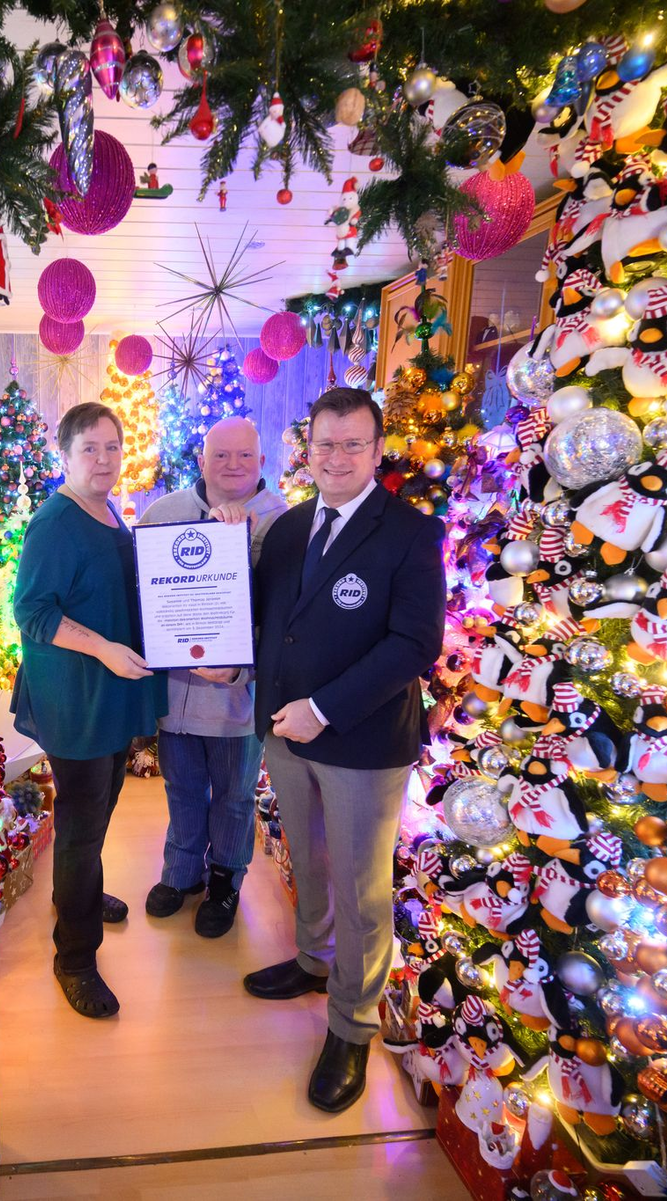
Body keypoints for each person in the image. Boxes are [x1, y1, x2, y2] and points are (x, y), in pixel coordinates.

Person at [247, 386, 445, 1114]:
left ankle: (351, 1023)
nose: (335, 457)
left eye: (351, 444)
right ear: (308, 447)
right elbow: (271, 622)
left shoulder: (410, 533)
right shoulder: (292, 527)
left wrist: (323, 708)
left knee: (363, 892)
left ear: (377, 449)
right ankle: (311, 958)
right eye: (324, 444)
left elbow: (416, 644)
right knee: (312, 856)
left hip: (360, 738)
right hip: (285, 731)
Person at [12, 402, 166, 1019]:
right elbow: (34, 613)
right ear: (65, 455)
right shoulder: (55, 522)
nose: (104, 460)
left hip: (110, 691)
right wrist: (104, 649)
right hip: (74, 696)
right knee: (80, 824)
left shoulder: (106, 511)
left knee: (99, 809)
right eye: (89, 450)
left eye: (112, 447)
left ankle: (75, 893)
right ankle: (74, 957)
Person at [137, 417, 285, 936]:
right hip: (175, 694)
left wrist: (244, 668)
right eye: (220, 455)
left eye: (245, 455)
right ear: (201, 459)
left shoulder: (282, 522)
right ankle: (181, 874)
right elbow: (145, 596)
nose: (233, 465)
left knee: (234, 796)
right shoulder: (164, 513)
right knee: (181, 788)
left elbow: (286, 620)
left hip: (237, 700)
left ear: (262, 461)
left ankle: (225, 881)